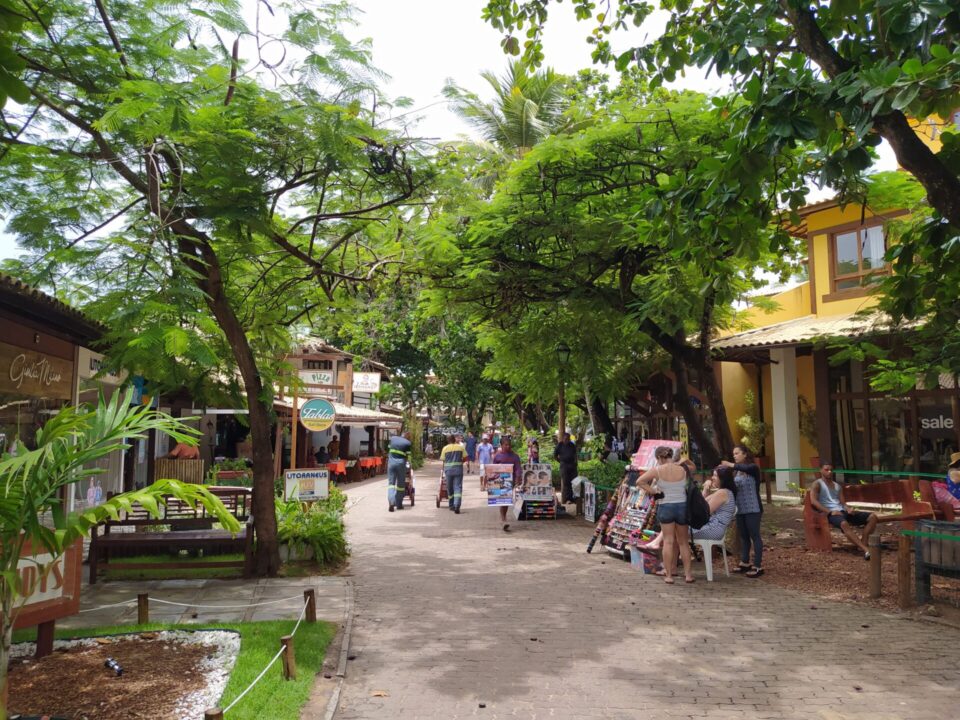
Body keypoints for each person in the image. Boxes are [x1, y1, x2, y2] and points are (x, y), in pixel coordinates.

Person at [639, 465, 737, 556]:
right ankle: (665, 558)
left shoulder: (722, 493)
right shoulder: (722, 492)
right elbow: (701, 502)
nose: (712, 478)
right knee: (676, 527)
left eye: (715, 475)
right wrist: (705, 490)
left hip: (714, 529)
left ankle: (658, 546)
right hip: (711, 527)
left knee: (676, 527)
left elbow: (704, 513)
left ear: (723, 478)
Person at [636, 446, 693, 584]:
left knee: (668, 541)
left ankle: (668, 576)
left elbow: (639, 481)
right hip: (682, 506)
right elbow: (693, 467)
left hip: (666, 505)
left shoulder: (657, 470)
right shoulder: (683, 469)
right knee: (683, 542)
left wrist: (654, 491)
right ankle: (688, 575)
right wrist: (684, 461)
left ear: (659, 458)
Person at [809, 463, 878, 560]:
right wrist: (829, 512)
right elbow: (814, 501)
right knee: (844, 524)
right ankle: (865, 549)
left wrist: (848, 509)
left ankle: (863, 541)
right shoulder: (817, 484)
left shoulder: (837, 486)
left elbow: (843, 502)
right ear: (821, 470)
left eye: (831, 470)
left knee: (873, 517)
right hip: (830, 514)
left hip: (842, 511)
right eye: (826, 469)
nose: (829, 472)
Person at [721, 445, 764, 577]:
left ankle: (758, 565)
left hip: (753, 508)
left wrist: (730, 464)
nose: (735, 456)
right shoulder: (736, 472)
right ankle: (744, 562)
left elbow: (747, 468)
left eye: (737, 453)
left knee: (754, 535)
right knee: (744, 537)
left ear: (745, 454)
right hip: (741, 509)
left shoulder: (752, 468)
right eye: (733, 454)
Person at [492, 436, 522, 532]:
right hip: (500, 480)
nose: (508, 446)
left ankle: (504, 518)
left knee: (506, 501)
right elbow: (493, 469)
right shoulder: (497, 456)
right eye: (506, 445)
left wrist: (518, 479)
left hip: (511, 481)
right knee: (503, 500)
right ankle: (503, 519)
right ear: (501, 445)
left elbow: (518, 469)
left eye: (509, 445)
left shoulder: (515, 456)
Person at [440, 433, 467, 514]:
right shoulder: (460, 447)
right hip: (458, 470)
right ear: (454, 439)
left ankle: (451, 505)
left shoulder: (445, 448)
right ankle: (457, 505)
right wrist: (460, 462)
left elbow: (443, 460)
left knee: (450, 488)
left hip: (448, 471)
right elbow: (466, 458)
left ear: (448, 440)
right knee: (458, 487)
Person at [386, 432, 412, 512]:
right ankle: (399, 504)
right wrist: (410, 465)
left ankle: (391, 502)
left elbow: (389, 449)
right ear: (407, 437)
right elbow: (409, 457)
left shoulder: (393, 439)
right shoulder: (407, 443)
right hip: (401, 464)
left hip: (391, 463)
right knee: (400, 485)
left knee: (391, 484)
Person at [553, 432, 578, 504]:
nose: (567, 440)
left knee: (575, 481)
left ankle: (575, 498)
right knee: (566, 482)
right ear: (563, 438)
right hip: (564, 465)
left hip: (572, 465)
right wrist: (561, 461)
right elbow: (555, 455)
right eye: (566, 438)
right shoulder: (559, 445)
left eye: (568, 439)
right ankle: (568, 499)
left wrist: (576, 463)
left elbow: (575, 454)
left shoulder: (572, 445)